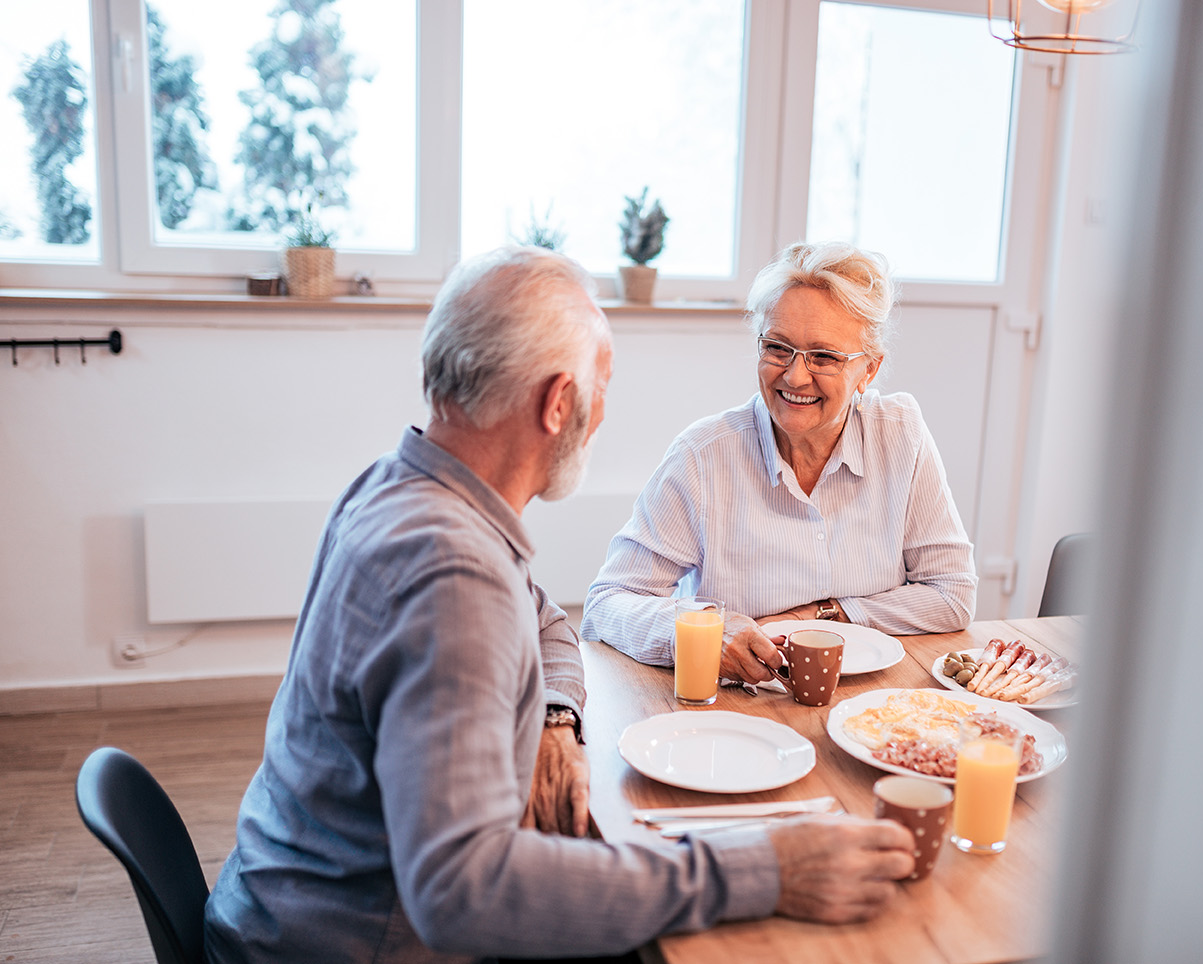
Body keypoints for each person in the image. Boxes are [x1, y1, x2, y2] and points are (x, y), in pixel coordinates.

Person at [203, 246, 915, 964]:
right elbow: (465, 893)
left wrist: (553, 714)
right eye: (602, 386)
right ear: (558, 403)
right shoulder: (452, 574)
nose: (603, 414)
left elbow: (546, 619)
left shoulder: (411, 490)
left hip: (289, 907)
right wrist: (767, 868)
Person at [581, 241, 977, 684]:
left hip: (873, 701)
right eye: (778, 348)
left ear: (869, 370)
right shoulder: (703, 456)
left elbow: (952, 593)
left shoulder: (900, 433)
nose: (794, 376)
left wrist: (826, 616)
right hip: (743, 707)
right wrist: (703, 634)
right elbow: (608, 603)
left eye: (824, 356)